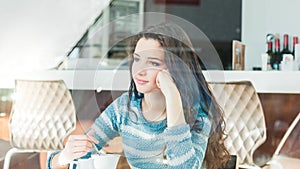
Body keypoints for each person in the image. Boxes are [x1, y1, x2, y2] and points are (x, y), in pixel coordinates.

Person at [47, 22, 230, 169]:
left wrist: (173, 95)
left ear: (176, 68)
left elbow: (184, 167)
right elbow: (79, 155)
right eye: (137, 59)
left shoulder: (198, 113)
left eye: (153, 62)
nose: (140, 70)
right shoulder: (124, 108)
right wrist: (65, 156)